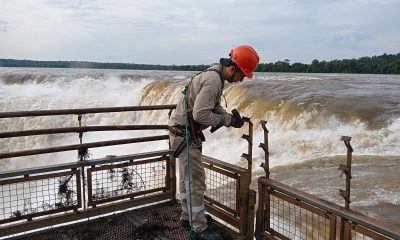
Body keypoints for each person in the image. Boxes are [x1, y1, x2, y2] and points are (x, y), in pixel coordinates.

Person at [169, 45, 260, 240]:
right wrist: (227, 121)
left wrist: (228, 117)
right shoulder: (213, 81)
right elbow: (200, 114)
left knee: (187, 179)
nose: (241, 80)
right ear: (232, 68)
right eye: (242, 75)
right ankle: (199, 228)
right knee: (196, 181)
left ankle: (189, 217)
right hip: (184, 134)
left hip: (181, 133)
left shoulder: (214, 75)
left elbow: (212, 106)